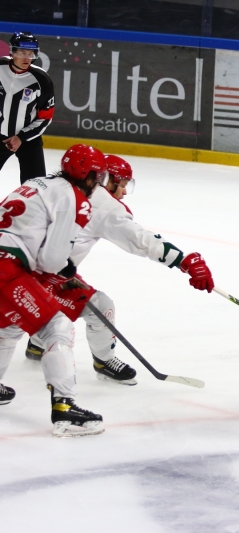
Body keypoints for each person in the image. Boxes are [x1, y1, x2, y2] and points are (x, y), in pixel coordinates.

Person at [25, 154, 215, 386]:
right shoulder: (103, 203)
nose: (124, 192)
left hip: (17, 259)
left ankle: (36, 343)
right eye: (122, 185)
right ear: (104, 179)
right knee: (100, 307)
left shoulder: (46, 183)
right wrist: (183, 261)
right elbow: (139, 239)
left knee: (55, 299)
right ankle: (103, 362)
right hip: (40, 273)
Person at [0, 144, 105, 437]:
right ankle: (64, 407)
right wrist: (66, 271)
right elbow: (51, 261)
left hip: (5, 263)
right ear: (88, 175)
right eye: (97, 176)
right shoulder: (74, 198)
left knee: (7, 326)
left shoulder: (36, 183)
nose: (98, 183)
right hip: (6, 270)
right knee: (56, 326)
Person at [0, 32, 55, 183]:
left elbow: (46, 116)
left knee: (36, 188)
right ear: (12, 51)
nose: (27, 58)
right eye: (23, 52)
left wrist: (22, 137)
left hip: (29, 141)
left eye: (31, 53)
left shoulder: (42, 80)